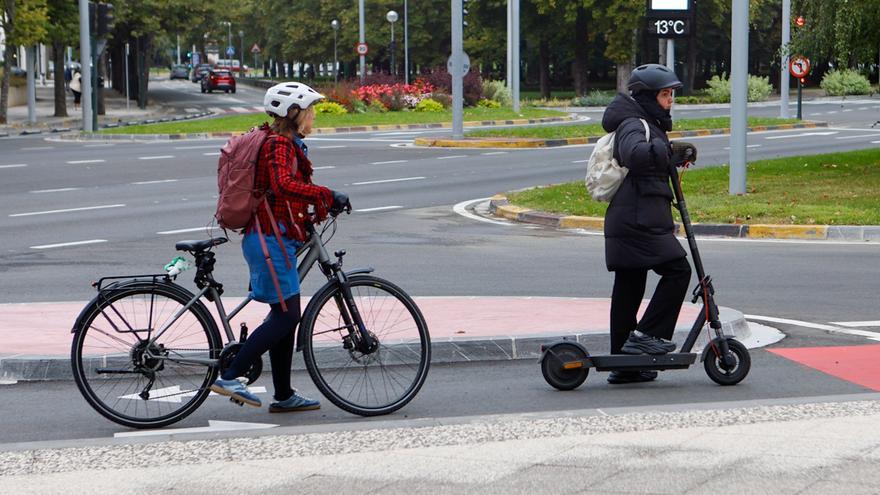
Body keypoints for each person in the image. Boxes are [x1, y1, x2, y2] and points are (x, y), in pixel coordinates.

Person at [210, 81, 351, 412]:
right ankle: (229, 376)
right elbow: (282, 185)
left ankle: (284, 395)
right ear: (294, 113)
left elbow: (289, 189)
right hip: (269, 241)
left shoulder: (288, 145)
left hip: (276, 239)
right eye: (310, 110)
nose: (314, 116)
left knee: (284, 316)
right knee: (288, 317)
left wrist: (318, 204)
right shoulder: (279, 145)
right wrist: (326, 195)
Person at [600, 64, 697, 385]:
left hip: (635, 217)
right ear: (648, 97)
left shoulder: (646, 122)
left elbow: (651, 161)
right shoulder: (634, 123)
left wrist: (671, 156)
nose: (670, 101)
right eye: (665, 95)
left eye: (671, 95)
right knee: (679, 271)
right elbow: (634, 155)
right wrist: (667, 150)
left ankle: (625, 362)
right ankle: (646, 337)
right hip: (637, 221)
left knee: (629, 287)